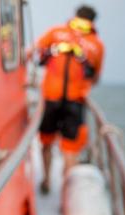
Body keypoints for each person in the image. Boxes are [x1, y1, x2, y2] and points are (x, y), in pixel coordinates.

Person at [36, 5, 105, 194]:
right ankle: (50, 182)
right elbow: (38, 52)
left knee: (66, 147)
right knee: (51, 143)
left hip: (72, 100)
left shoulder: (95, 45)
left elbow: (95, 74)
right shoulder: (58, 33)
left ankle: (56, 185)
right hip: (57, 98)